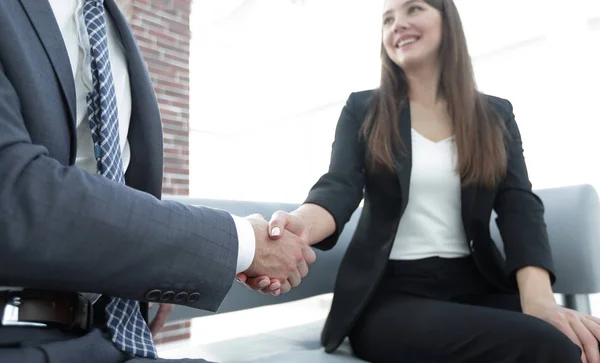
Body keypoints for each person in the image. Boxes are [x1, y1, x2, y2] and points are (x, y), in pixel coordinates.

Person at [239, 0, 600, 362]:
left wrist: (539, 301)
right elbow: (339, 187)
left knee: (586, 340)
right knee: (551, 346)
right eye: (387, 19)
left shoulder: (495, 114)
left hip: (477, 283)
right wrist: (298, 225)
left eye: (413, 9)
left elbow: (519, 206)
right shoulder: (363, 109)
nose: (397, 24)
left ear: (448, 21)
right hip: (392, 296)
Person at [0, 1, 315, 362]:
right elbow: (15, 194)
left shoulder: (108, 26)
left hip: (99, 338)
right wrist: (244, 244)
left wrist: (150, 269)